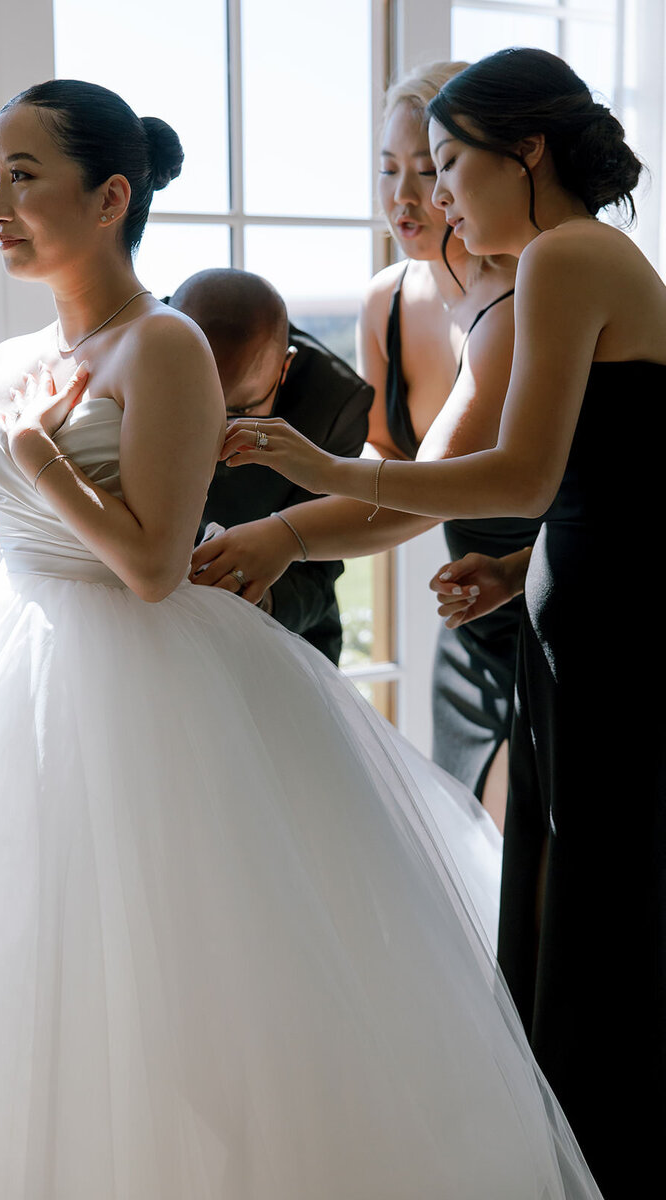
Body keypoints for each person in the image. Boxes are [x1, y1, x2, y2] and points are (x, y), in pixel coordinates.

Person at [0, 78, 603, 1199]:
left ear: (111, 195)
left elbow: (156, 566)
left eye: (22, 177)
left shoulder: (161, 347)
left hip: (141, 696)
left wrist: (47, 467)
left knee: (169, 995)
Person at [222, 47, 666, 1199]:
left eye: (447, 164)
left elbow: (515, 471)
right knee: (583, 901)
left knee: (593, 916)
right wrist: (522, 569)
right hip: (585, 608)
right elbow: (622, 481)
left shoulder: (566, 257)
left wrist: (325, 469)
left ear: (522, 155)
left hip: (611, 635)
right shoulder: (587, 259)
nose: (435, 196)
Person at [191, 62, 540, 827]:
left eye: (430, 168)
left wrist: (281, 534)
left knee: (530, 868)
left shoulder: (521, 299)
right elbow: (387, 460)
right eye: (388, 170)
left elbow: (429, 490)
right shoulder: (386, 299)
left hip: (547, 590)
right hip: (473, 613)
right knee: (471, 853)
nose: (405, 197)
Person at [168, 268, 372, 663]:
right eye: (193, 404)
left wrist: (255, 600)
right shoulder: (135, 338)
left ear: (284, 368)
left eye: (240, 411)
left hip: (285, 641)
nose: (213, 434)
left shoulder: (335, 406)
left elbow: (319, 566)